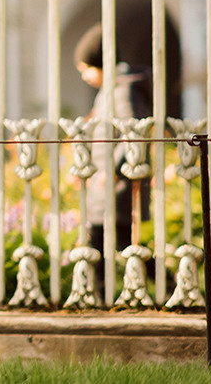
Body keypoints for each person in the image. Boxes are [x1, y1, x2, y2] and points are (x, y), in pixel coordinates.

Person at [74, 22, 152, 287]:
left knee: (116, 242)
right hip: (105, 184)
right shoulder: (110, 91)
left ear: (98, 63)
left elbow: (133, 132)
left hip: (116, 186)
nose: (83, 76)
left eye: (85, 69)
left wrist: (113, 170)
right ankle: (100, 294)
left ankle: (172, 286)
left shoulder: (122, 91)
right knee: (107, 242)